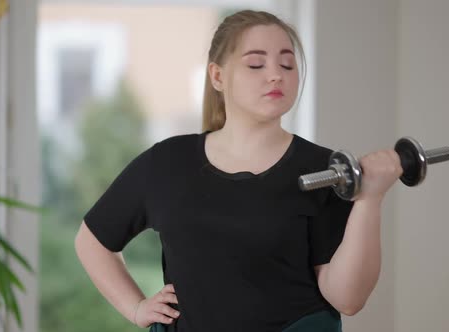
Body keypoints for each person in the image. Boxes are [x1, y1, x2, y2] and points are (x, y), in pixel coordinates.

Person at [74, 9, 402, 332]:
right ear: (217, 76)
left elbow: (348, 299)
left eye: (287, 64)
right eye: (256, 64)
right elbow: (92, 241)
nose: (275, 74)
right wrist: (135, 308)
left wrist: (369, 200)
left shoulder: (325, 169)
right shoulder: (166, 162)